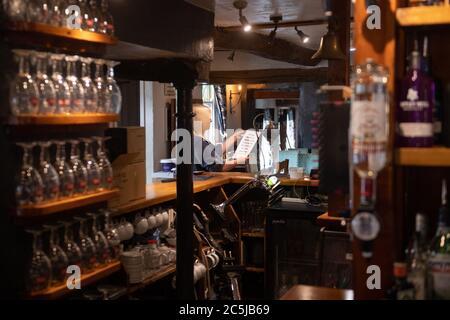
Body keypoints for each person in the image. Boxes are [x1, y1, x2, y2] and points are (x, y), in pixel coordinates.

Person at [193, 103, 246, 172]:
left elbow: (216, 153)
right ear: (200, 120)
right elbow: (216, 168)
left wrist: (234, 137)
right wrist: (239, 161)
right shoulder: (198, 142)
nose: (211, 120)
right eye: (208, 118)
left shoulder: (196, 139)